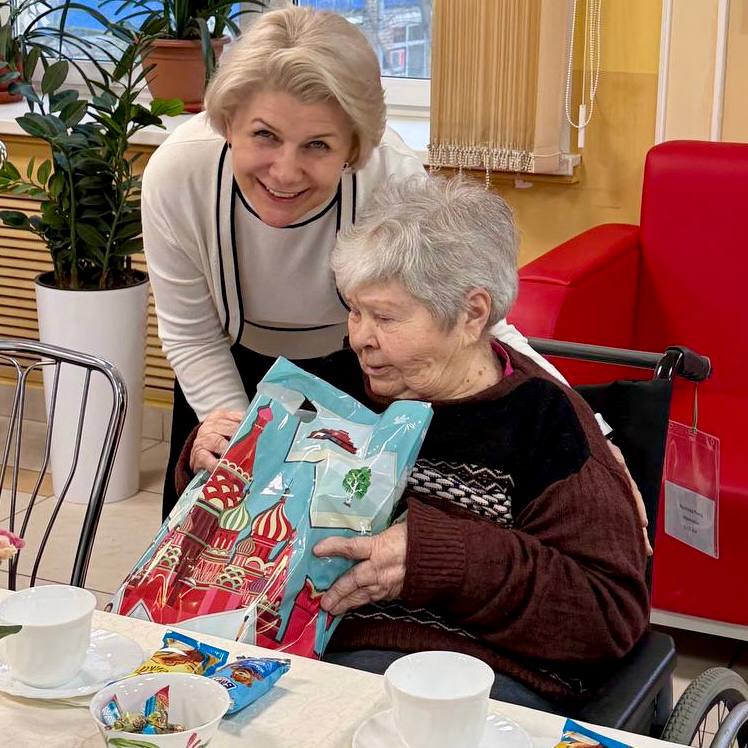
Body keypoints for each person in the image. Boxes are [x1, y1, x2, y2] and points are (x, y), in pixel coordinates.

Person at [177, 176, 650, 712]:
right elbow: (231, 537)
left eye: (385, 317)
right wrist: (212, 460)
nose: (360, 337)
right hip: (300, 661)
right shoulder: (328, 389)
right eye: (355, 310)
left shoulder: (546, 424)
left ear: (472, 314)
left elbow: (607, 616)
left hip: (473, 684)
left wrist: (439, 560)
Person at [142, 5, 562, 520]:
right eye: (264, 135)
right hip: (222, 376)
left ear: (354, 147)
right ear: (229, 123)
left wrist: (594, 438)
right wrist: (248, 443)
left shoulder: (393, 180)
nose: (285, 172)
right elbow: (192, 335)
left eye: (317, 145)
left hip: (361, 383)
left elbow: (477, 321)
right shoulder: (178, 174)